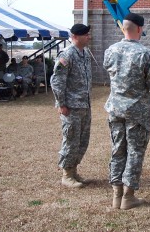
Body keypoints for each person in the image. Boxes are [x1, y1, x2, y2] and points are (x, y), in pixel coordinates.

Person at [103, 13, 150, 210]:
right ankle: (128, 196)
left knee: (118, 149)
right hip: (137, 111)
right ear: (140, 29)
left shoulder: (110, 51)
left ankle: (116, 195)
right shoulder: (145, 54)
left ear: (123, 29)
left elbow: (109, 71)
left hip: (115, 109)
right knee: (135, 152)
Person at [51, 23, 92, 189]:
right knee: (71, 140)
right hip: (71, 107)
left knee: (82, 140)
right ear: (75, 36)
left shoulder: (85, 53)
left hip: (84, 105)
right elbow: (57, 81)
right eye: (86, 35)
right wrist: (62, 104)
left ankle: (73, 170)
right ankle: (66, 174)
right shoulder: (67, 55)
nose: (89, 37)